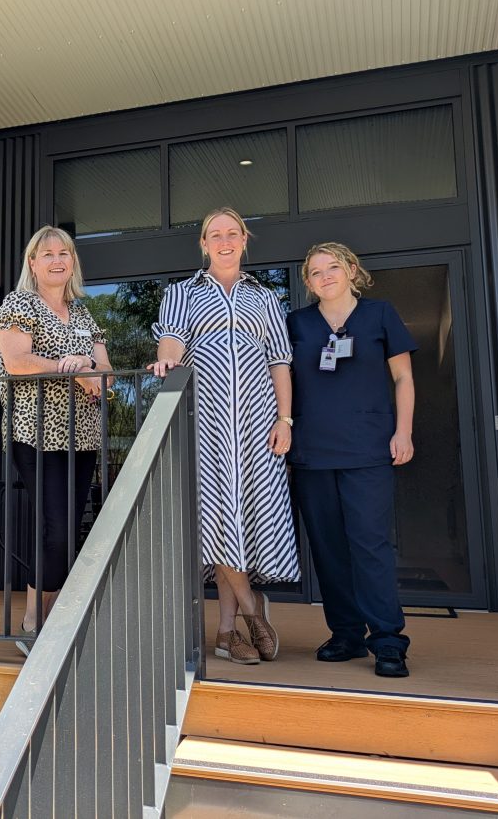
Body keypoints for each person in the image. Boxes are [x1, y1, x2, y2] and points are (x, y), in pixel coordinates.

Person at [150, 207, 298, 665]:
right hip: (206, 423)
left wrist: (285, 420)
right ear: (204, 244)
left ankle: (225, 633)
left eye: (232, 233)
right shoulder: (183, 292)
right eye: (215, 234)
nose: (225, 240)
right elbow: (172, 339)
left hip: (256, 423)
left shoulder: (265, 298)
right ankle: (253, 612)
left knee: (243, 519)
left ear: (244, 239)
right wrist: (167, 360)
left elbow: (279, 361)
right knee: (216, 519)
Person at [287, 242, 416, 678]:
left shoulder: (380, 314)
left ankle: (387, 640)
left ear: (351, 271)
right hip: (312, 451)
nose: (325, 276)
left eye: (333, 267)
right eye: (315, 272)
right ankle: (345, 633)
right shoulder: (297, 324)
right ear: (307, 282)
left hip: (368, 449)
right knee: (328, 548)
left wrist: (403, 430)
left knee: (370, 543)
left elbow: (403, 377)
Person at [0, 225, 112, 656]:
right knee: (57, 530)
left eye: (65, 253)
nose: (57, 260)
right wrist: (70, 367)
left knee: (68, 529)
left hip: (81, 436)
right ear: (33, 262)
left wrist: (93, 374)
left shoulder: (83, 314)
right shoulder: (19, 304)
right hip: (36, 432)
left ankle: (51, 619)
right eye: (47, 254)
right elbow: (17, 361)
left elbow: (106, 371)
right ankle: (31, 619)